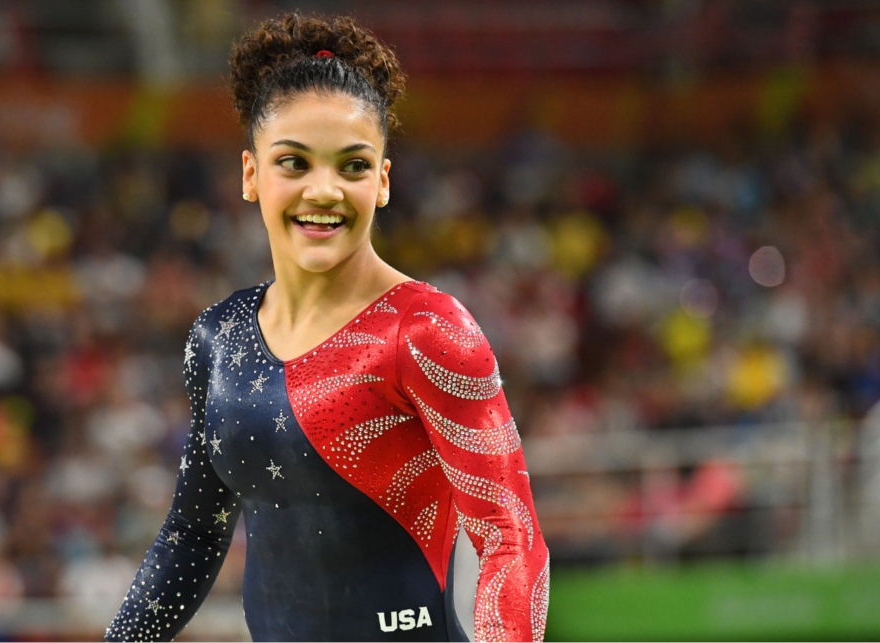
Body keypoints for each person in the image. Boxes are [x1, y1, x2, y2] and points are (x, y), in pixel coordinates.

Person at [104, 12, 549, 642]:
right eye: (293, 162)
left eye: (353, 166)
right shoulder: (220, 338)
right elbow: (192, 534)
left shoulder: (424, 331)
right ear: (251, 175)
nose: (325, 190)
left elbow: (512, 539)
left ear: (383, 182)